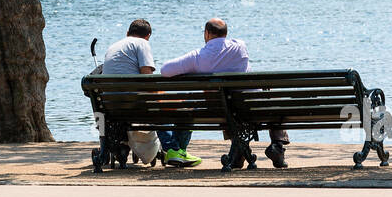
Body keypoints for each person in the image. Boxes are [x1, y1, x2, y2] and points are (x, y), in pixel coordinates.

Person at [160, 18, 291, 168]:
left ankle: (238, 151)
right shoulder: (240, 47)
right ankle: (277, 146)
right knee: (272, 99)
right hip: (251, 108)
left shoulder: (197, 57)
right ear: (226, 33)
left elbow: (165, 70)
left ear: (207, 34)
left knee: (226, 105)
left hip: (220, 111)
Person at [100, 19, 166, 166]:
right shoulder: (142, 43)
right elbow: (147, 76)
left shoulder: (113, 46)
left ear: (127, 33)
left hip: (110, 106)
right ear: (148, 36)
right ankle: (169, 148)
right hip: (132, 106)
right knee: (162, 105)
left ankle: (122, 145)